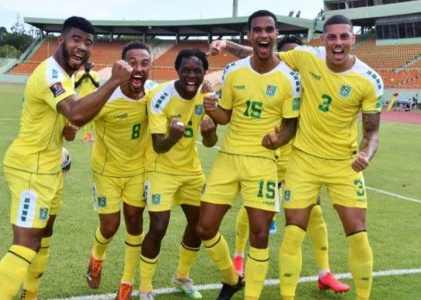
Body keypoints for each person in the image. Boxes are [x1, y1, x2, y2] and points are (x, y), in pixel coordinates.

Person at [0, 16, 131, 300]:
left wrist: (66, 129)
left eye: (88, 43)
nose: (82, 47)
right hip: (30, 167)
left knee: (44, 235)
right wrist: (115, 80)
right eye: (76, 39)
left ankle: (31, 294)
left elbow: (70, 118)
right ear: (61, 40)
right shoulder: (50, 73)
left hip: (50, 166)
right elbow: (76, 111)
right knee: (27, 242)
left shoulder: (67, 75)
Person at [210, 35, 350, 293]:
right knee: (255, 210)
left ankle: (324, 272)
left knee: (315, 212)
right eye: (289, 56)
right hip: (271, 153)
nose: (294, 61)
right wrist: (226, 44)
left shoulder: (311, 75)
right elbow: (250, 54)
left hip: (298, 156)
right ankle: (239, 256)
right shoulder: (280, 73)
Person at [277, 15, 382, 300]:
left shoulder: (369, 80)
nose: (338, 42)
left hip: (344, 164)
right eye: (331, 37)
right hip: (303, 161)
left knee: (358, 234)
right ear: (323, 39)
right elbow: (264, 57)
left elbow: (372, 133)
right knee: (293, 232)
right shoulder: (305, 57)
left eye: (343, 37)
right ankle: (288, 297)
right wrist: (231, 48)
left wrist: (365, 153)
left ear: (353, 39)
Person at [196, 10, 300, 300]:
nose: (263, 35)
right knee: (205, 227)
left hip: (263, 161)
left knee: (260, 235)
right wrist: (211, 109)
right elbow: (226, 116)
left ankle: (250, 296)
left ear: (276, 34)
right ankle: (231, 278)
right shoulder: (235, 71)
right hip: (229, 158)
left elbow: (291, 124)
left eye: (269, 29)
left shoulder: (290, 78)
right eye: (258, 30)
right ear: (249, 36)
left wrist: (278, 139)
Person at [138, 48, 218, 300]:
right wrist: (173, 136)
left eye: (197, 71)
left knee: (199, 224)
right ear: (177, 71)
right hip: (160, 168)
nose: (191, 76)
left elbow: (209, 141)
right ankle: (145, 288)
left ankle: (182, 276)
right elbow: (158, 146)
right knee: (158, 227)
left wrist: (208, 134)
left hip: (191, 170)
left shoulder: (206, 96)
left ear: (205, 73)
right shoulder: (161, 97)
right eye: (186, 70)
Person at [85, 41, 152, 300]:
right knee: (110, 226)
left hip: (138, 171)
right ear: (121, 66)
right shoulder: (106, 97)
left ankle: (126, 284)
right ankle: (97, 257)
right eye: (132, 62)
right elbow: (78, 117)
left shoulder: (154, 95)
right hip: (106, 172)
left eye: (144, 63)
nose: (138, 68)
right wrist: (68, 129)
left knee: (135, 223)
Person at [75, 60, 100, 142]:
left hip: (92, 97)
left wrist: (90, 77)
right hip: (82, 97)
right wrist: (83, 77)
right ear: (84, 65)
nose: (87, 66)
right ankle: (85, 135)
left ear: (91, 65)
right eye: (86, 64)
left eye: (89, 64)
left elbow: (97, 85)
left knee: (92, 117)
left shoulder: (94, 74)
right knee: (83, 117)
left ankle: (90, 134)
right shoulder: (79, 73)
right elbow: (75, 85)